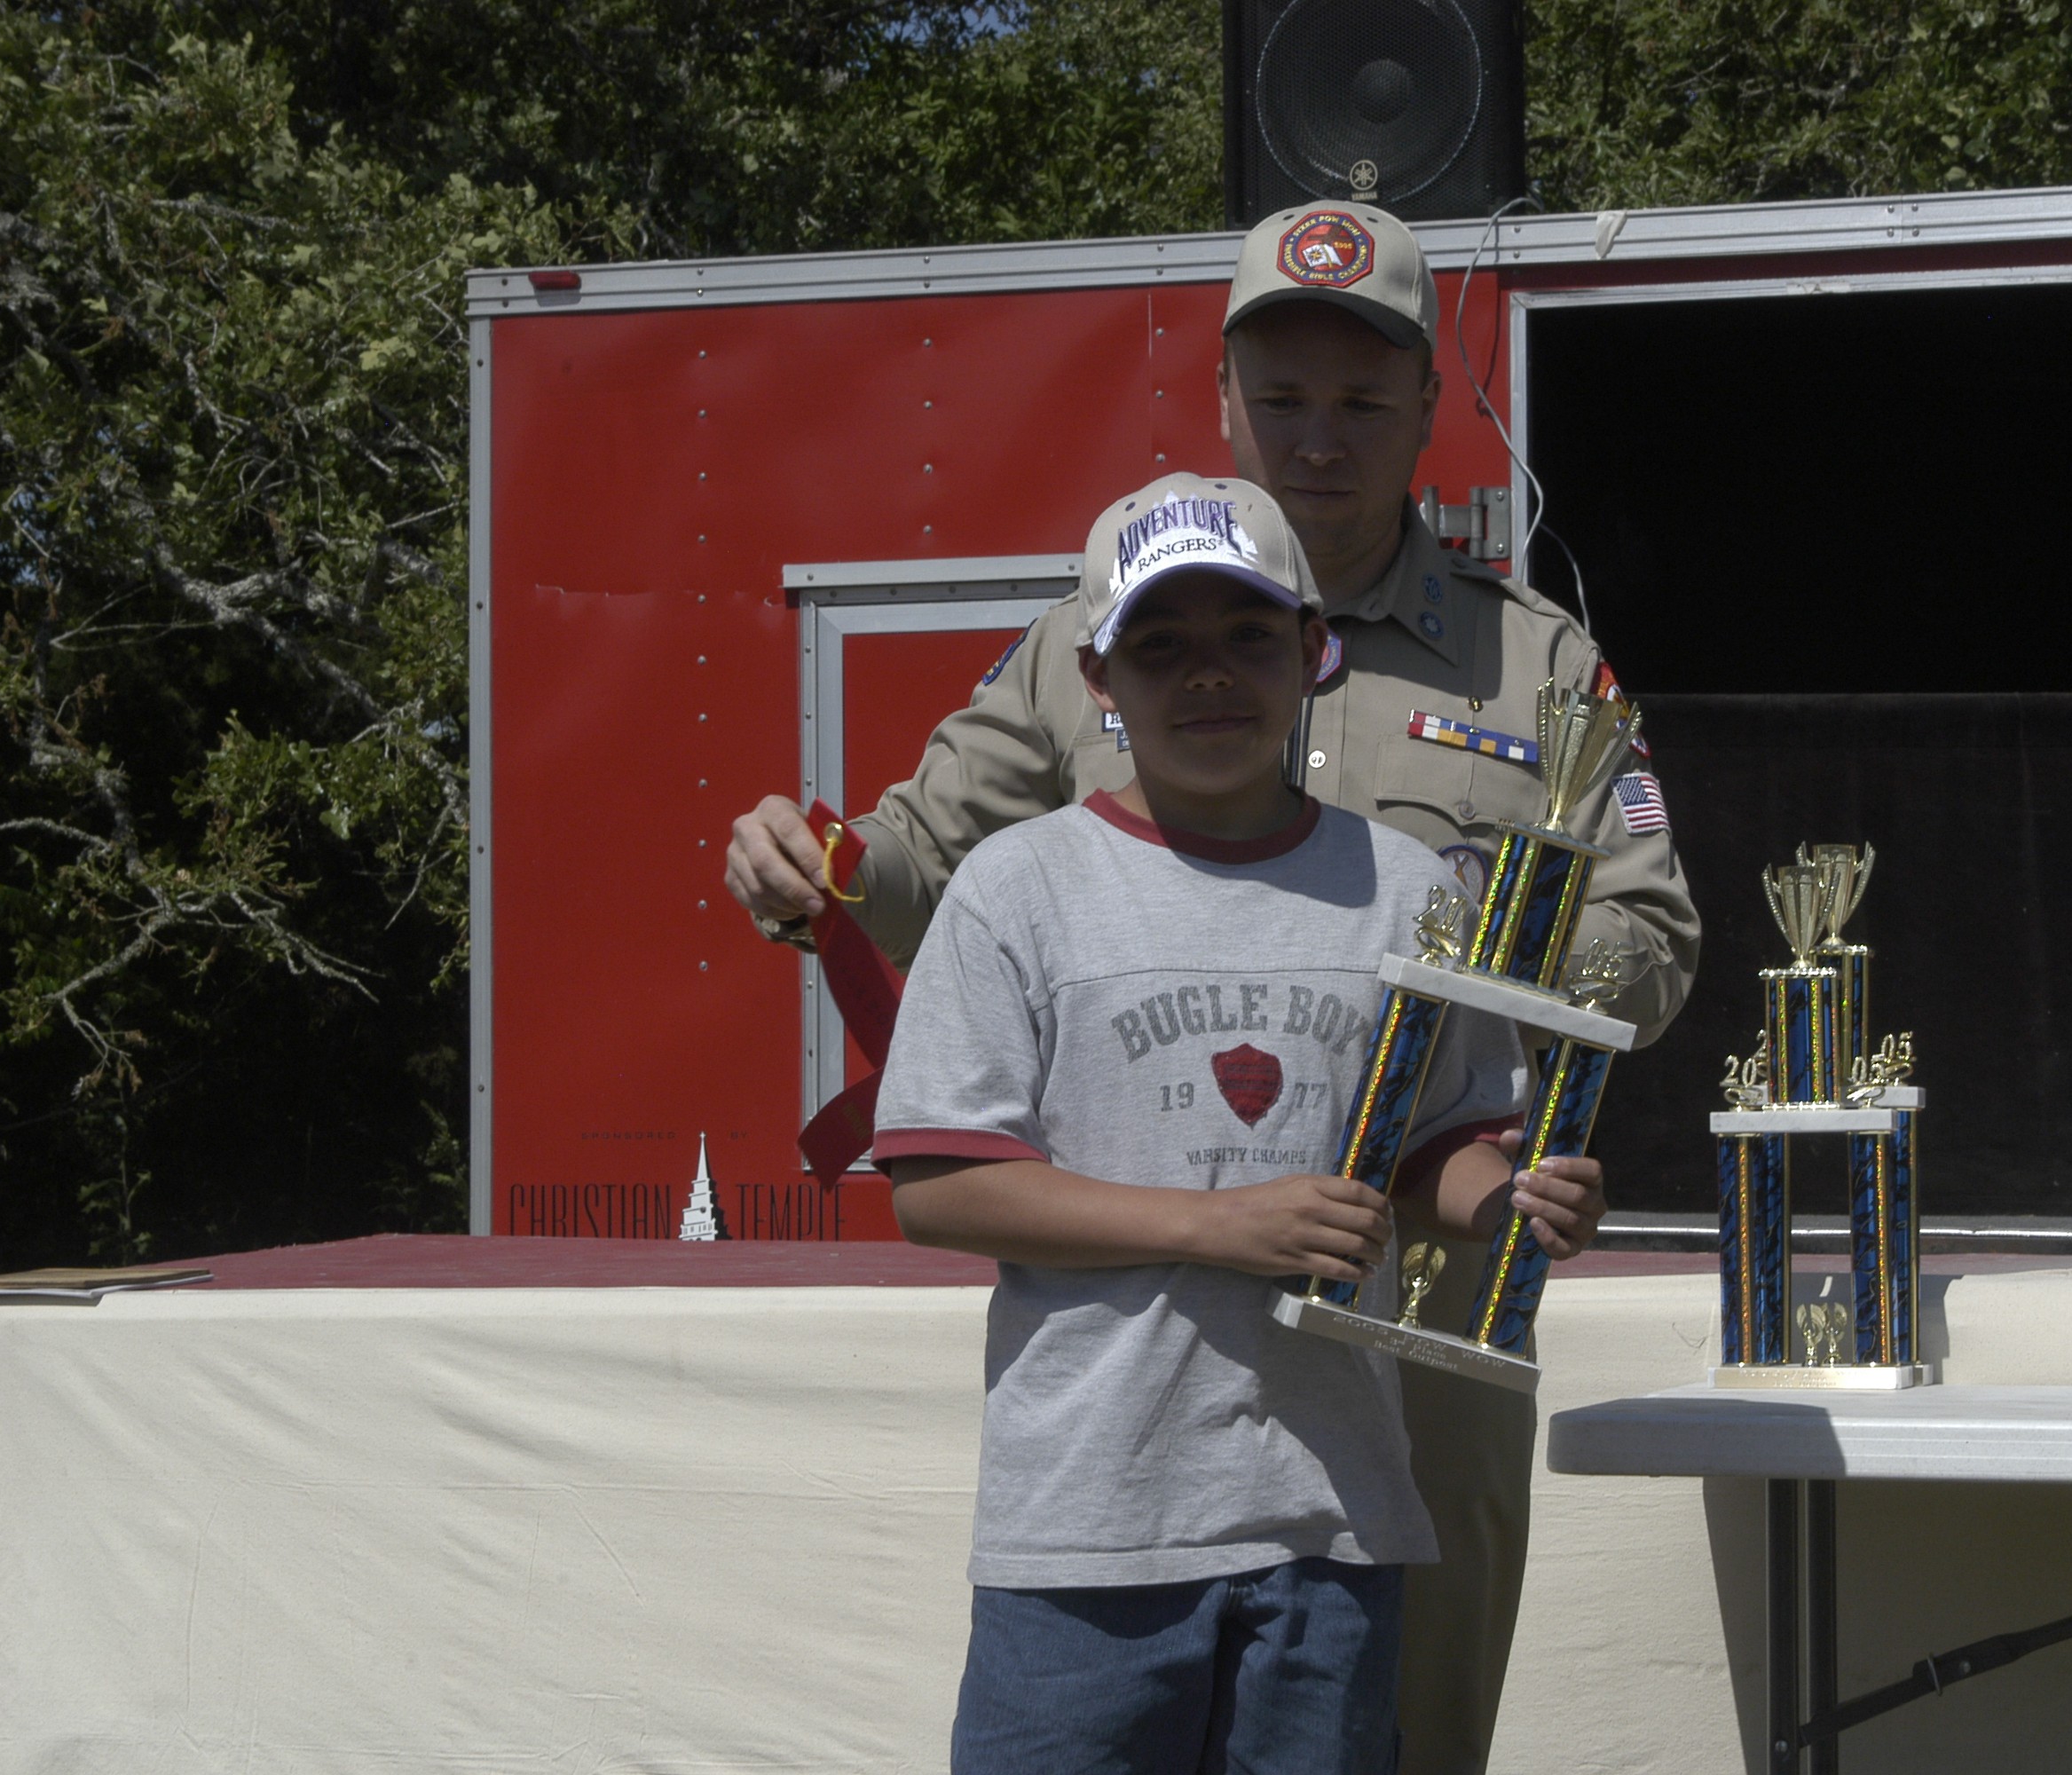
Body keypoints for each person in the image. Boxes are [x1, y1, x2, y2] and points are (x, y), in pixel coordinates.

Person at [728, 202, 1699, 1771]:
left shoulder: (1535, 666)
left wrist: (1471, 952)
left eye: (1362, 400)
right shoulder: (1094, 634)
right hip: (1145, 1367)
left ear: (1427, 408)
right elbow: (918, 862)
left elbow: (1650, 943)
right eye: (1283, 397)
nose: (1319, 438)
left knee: (1410, 1720)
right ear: (1227, 401)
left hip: (1427, 1312)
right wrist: (815, 865)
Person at [876, 474, 1607, 1773]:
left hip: (1333, 1517)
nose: (1208, 675)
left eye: (1249, 636)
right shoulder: (1017, 888)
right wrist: (1218, 1226)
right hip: (1089, 1529)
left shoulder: (1404, 888)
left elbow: (1438, 1145)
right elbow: (939, 1183)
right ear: (1097, 676)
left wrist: (1512, 1202)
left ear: (1315, 652)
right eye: (1160, 645)